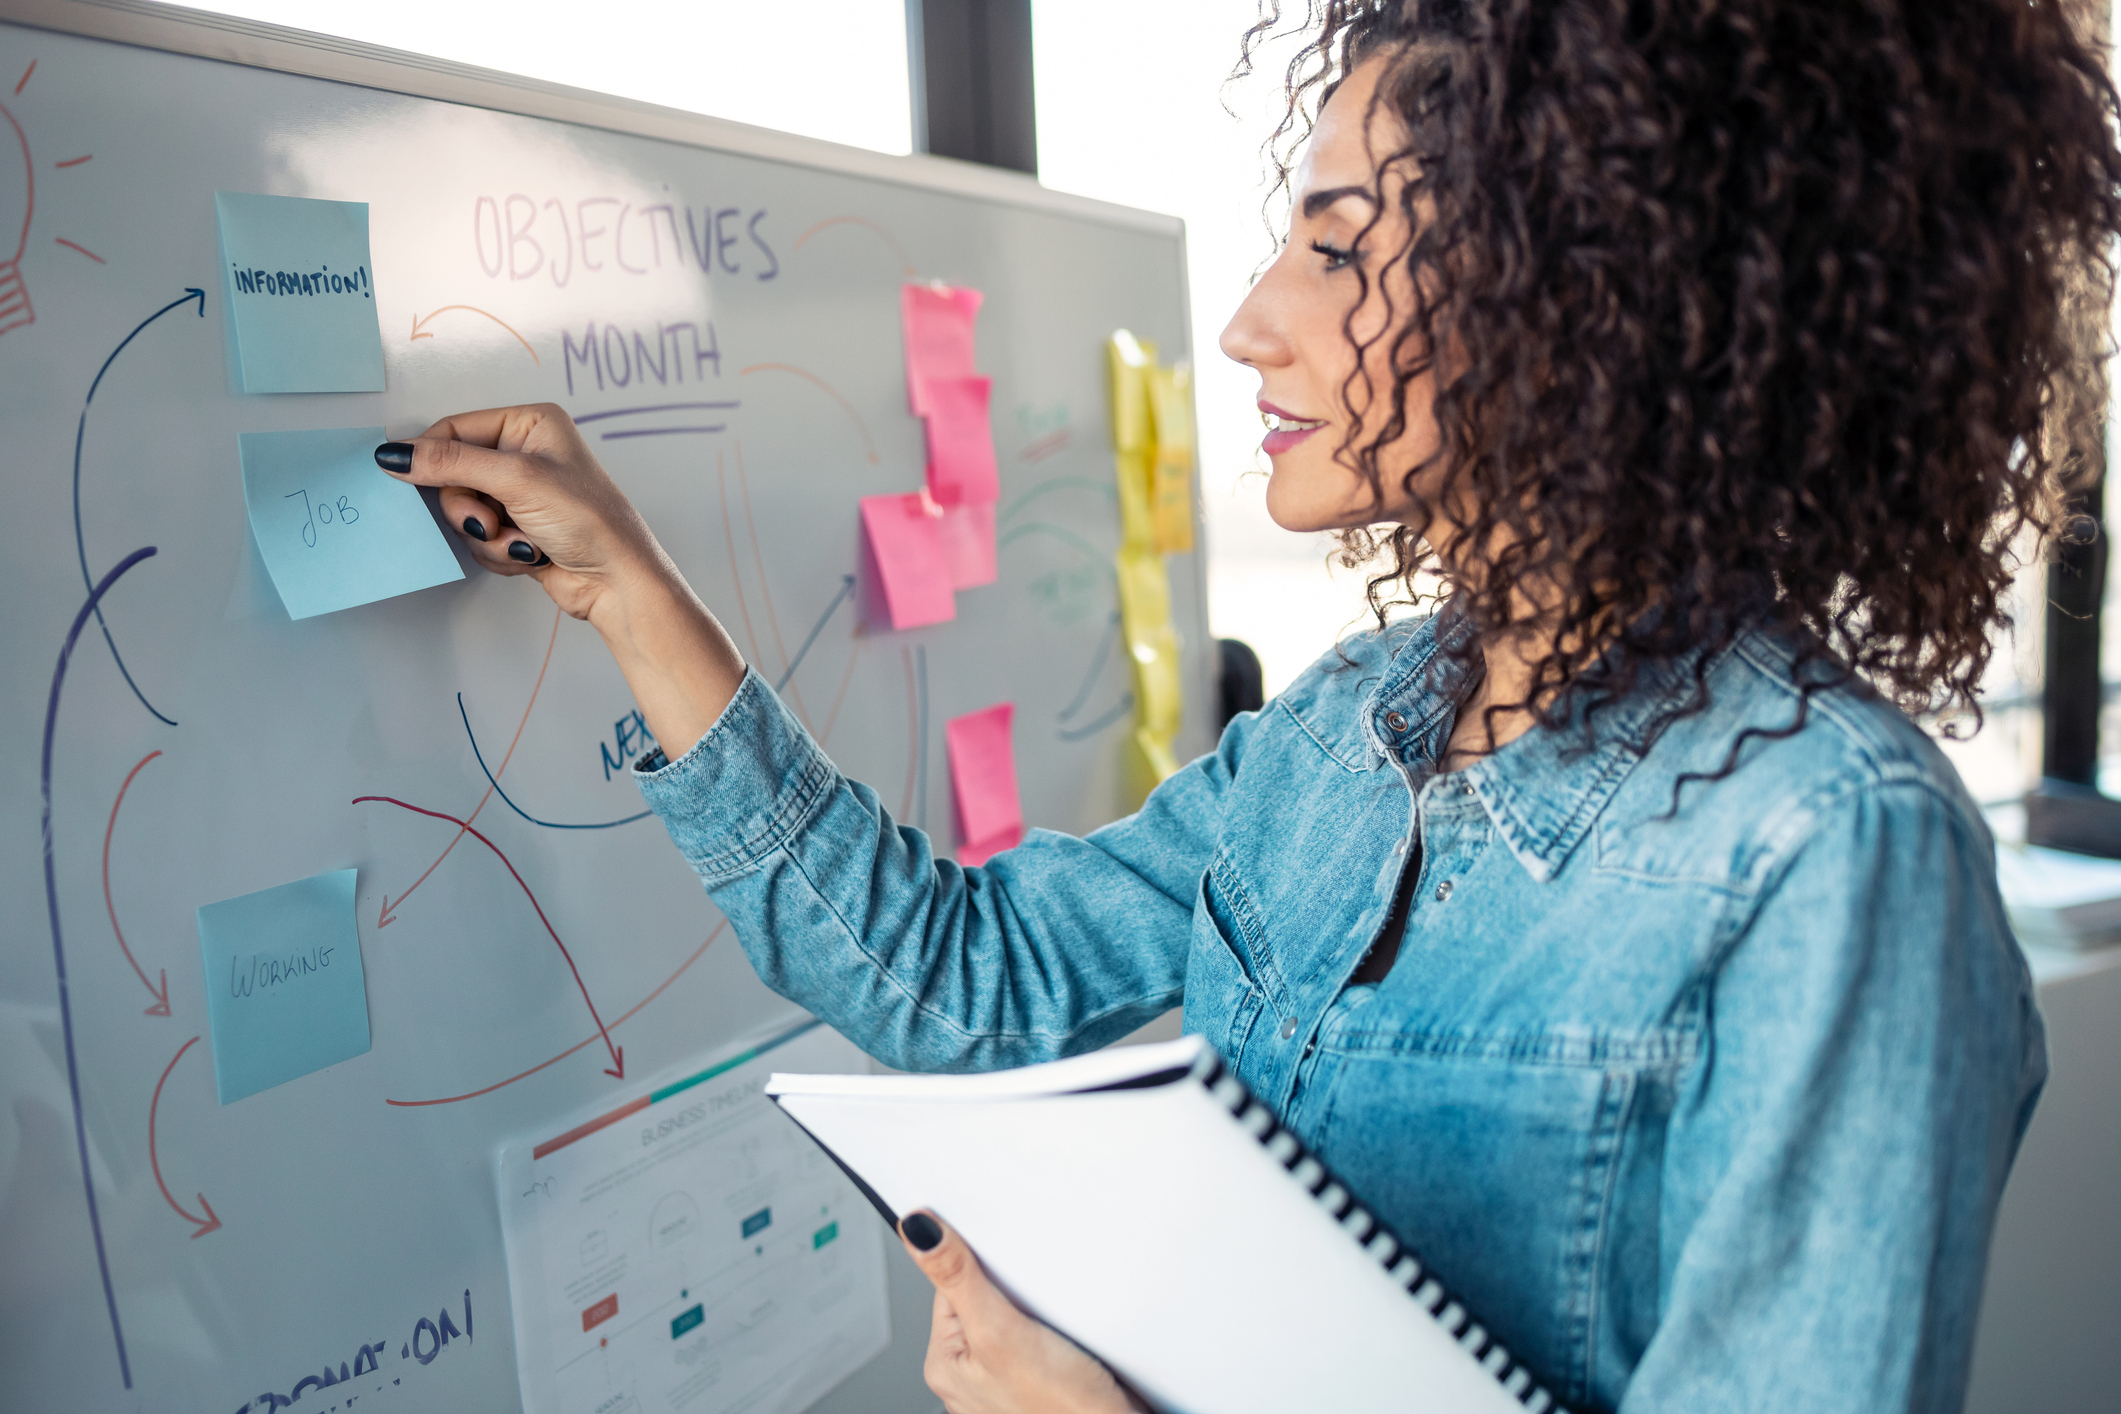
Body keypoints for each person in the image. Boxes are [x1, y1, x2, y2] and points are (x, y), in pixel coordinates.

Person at [371, 2, 2121, 1409]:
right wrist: (621, 585)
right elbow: (959, 980)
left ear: (1592, 294)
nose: (1248, 324)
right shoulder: (1345, 729)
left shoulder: (1833, 854)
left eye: (1336, 250)